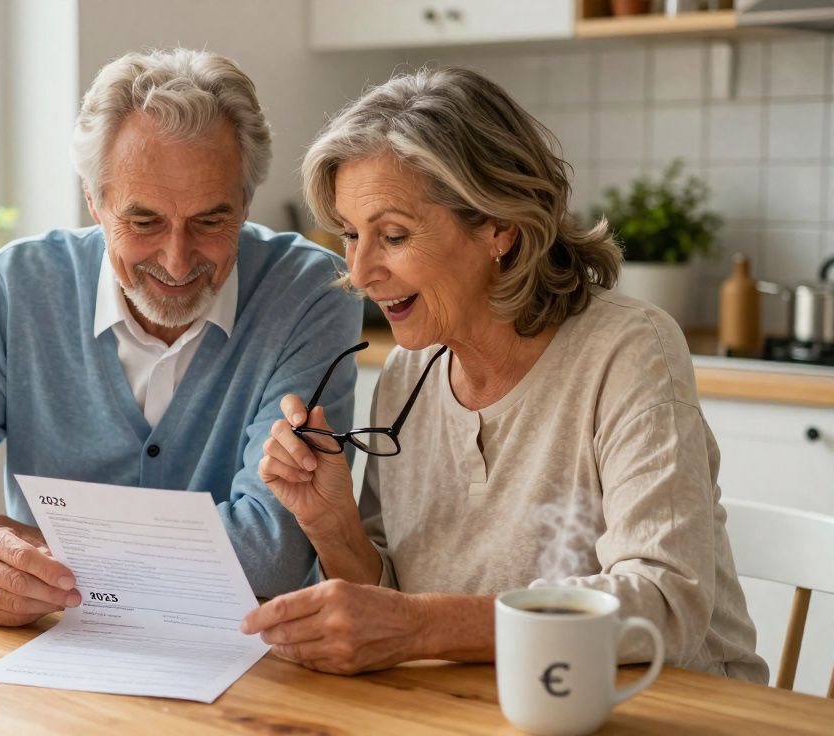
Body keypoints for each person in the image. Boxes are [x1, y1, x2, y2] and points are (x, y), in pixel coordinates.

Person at [240, 66, 767, 683]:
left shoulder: (629, 350)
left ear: (498, 227)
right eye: (352, 236)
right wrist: (331, 525)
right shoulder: (407, 373)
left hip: (669, 709)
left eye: (393, 235)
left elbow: (664, 603)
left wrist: (421, 627)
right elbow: (394, 601)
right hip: (498, 709)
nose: (358, 273)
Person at [0, 48, 362, 627]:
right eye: (143, 222)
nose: (177, 258)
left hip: (251, 670)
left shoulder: (310, 293)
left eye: (211, 221)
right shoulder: (15, 289)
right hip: (51, 665)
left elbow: (273, 552)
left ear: (245, 203)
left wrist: (57, 548)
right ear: (94, 202)